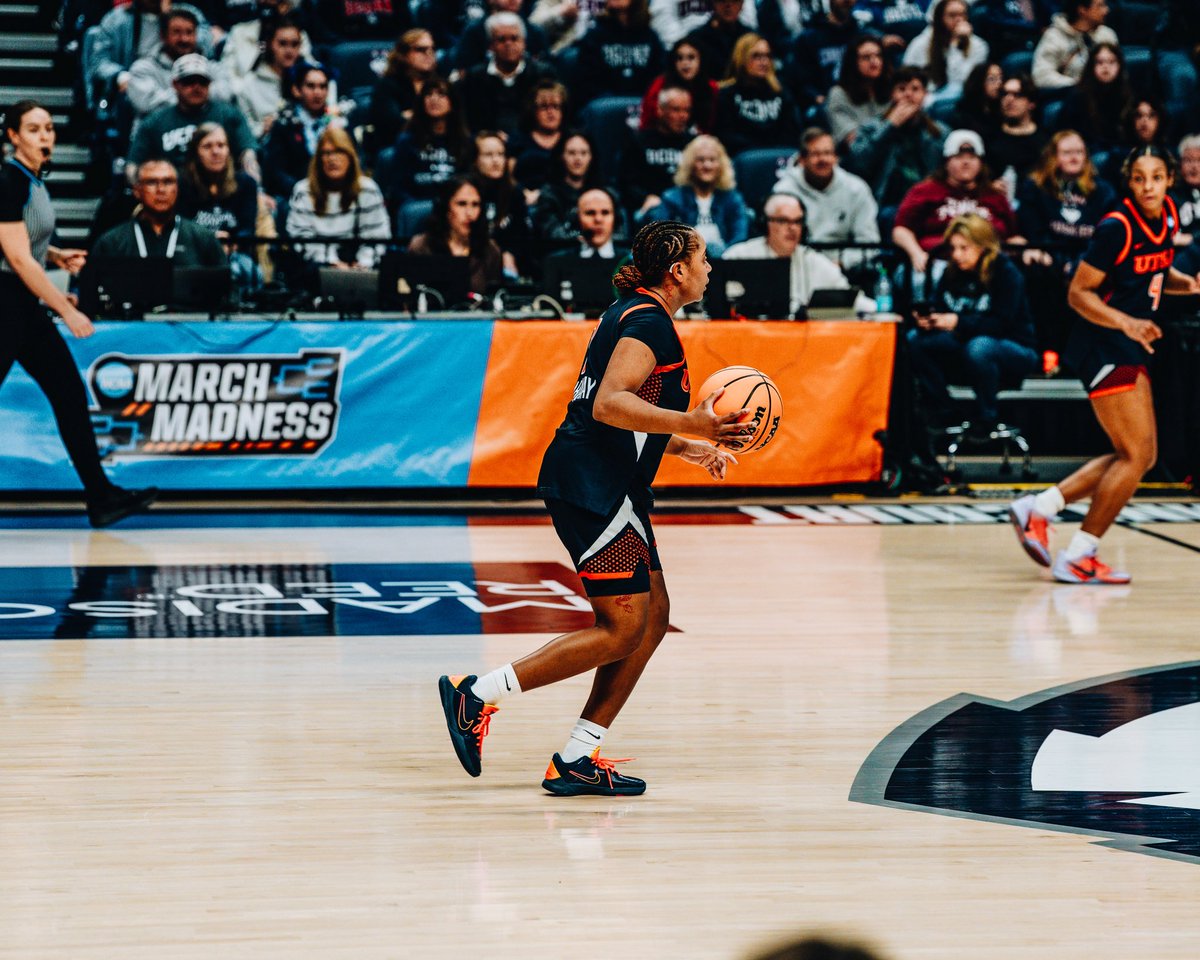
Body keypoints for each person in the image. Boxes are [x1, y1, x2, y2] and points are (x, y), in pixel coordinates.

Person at [438, 219, 747, 795]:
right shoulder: (649, 323)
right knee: (622, 627)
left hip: (612, 486)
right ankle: (476, 695)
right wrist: (693, 421)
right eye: (704, 259)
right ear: (677, 270)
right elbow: (609, 404)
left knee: (652, 616)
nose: (711, 268)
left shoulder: (635, 312)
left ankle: (578, 757)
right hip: (594, 487)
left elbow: (632, 412)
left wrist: (689, 447)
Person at [1009, 145, 1200, 584]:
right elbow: (1078, 293)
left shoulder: (1169, 215)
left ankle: (1040, 508)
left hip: (1126, 344)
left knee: (1133, 455)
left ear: (1170, 179)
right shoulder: (1117, 227)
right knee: (1138, 456)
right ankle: (1077, 551)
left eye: (1156, 177)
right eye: (1139, 178)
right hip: (1103, 343)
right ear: (1128, 182)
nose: (1148, 186)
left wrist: (1186, 285)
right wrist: (1128, 324)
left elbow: (1155, 271)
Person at [0, 101, 157, 528]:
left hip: (19, 304)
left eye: (49, 127)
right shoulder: (9, 180)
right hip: (7, 302)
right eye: (33, 129)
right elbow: (16, 259)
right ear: (13, 136)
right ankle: (101, 493)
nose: (45, 136)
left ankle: (101, 496)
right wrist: (64, 307)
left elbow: (21, 242)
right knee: (67, 393)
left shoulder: (31, 179)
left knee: (69, 394)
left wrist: (54, 253)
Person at [907, 213, 1039, 436]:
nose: (956, 255)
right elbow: (940, 305)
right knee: (914, 340)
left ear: (983, 246)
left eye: (964, 248)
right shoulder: (953, 272)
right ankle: (944, 407)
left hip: (1013, 348)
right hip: (966, 343)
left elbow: (1001, 323)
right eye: (953, 248)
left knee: (979, 347)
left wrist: (957, 321)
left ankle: (987, 416)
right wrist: (929, 320)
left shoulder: (1006, 273)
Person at [1017, 129, 1116, 350]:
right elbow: (1033, 229)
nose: (1074, 158)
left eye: (1079, 152)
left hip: (1088, 258)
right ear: (1053, 156)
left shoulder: (1103, 190)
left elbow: (1107, 233)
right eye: (1067, 152)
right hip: (1049, 256)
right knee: (1038, 273)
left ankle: (1087, 353)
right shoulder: (1036, 187)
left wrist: (1081, 262)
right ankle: (1047, 352)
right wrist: (1056, 260)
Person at [723, 194, 874, 317]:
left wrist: (880, 310)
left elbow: (851, 299)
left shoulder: (814, 261)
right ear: (765, 223)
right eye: (783, 221)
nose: (792, 228)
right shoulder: (738, 256)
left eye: (798, 221)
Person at [892, 129, 1018, 276]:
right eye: (958, 157)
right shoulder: (925, 190)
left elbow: (1013, 236)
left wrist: (1027, 251)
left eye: (972, 157)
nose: (965, 162)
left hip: (988, 266)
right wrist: (917, 254)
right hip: (936, 264)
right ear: (946, 162)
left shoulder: (994, 196)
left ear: (981, 162)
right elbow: (901, 230)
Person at [127, 53, 259, 184]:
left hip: (221, 189)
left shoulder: (229, 115)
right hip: (173, 193)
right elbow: (133, 165)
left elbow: (248, 153)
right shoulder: (155, 122)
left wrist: (256, 188)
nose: (196, 87)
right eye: (189, 81)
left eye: (203, 82)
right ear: (175, 84)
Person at [845, 66, 948, 215]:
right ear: (893, 95)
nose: (908, 94)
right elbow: (858, 164)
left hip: (929, 201)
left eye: (915, 89)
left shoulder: (940, 132)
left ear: (925, 95)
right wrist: (890, 127)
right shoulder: (871, 127)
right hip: (886, 202)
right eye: (901, 89)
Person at [285, 126, 391, 271]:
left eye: (339, 152)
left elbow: (377, 236)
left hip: (360, 267)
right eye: (326, 153)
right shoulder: (303, 191)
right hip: (316, 266)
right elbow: (301, 238)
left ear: (351, 157)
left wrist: (363, 263)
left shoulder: (368, 190)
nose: (332, 159)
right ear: (319, 159)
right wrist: (331, 263)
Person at [91, 158, 228, 265]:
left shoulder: (203, 239)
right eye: (151, 182)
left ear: (177, 189)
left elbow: (227, 291)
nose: (161, 190)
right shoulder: (111, 243)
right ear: (137, 191)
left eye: (168, 182)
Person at [177, 123, 261, 288]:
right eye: (207, 146)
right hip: (195, 252)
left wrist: (230, 243)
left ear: (228, 150)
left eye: (221, 145)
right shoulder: (183, 184)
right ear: (196, 152)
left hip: (234, 252)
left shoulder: (245, 183)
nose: (215, 152)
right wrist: (211, 241)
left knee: (245, 269)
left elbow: (247, 228)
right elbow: (182, 227)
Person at [772, 128, 880, 248]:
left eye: (828, 153)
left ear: (836, 158)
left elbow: (869, 242)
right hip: (799, 260)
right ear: (801, 160)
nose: (822, 159)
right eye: (815, 154)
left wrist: (842, 262)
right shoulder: (784, 192)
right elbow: (778, 242)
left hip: (843, 262)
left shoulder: (857, 189)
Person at [643, 134, 747, 258]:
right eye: (701, 160)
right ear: (690, 165)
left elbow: (740, 237)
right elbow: (659, 237)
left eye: (712, 160)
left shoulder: (733, 199)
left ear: (721, 165)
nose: (707, 166)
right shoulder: (671, 199)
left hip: (726, 263)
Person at [454, 12, 557, 137]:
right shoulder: (475, 77)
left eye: (514, 38)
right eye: (501, 40)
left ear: (524, 43)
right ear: (491, 46)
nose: (508, 44)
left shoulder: (543, 75)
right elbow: (469, 122)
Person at [409, 176, 505, 295]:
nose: (469, 213)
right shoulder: (421, 246)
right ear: (446, 207)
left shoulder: (490, 250)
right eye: (461, 204)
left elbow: (495, 300)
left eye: (475, 205)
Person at [383, 76, 469, 208]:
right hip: (416, 209)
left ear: (452, 103)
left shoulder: (465, 142)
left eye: (441, 94)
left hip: (454, 210)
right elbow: (398, 188)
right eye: (428, 94)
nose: (434, 99)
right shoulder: (407, 141)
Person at [714, 33, 799, 156]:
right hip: (743, 158)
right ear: (742, 58)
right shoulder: (727, 94)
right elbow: (726, 136)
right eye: (756, 56)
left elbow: (792, 134)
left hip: (777, 155)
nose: (763, 61)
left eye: (767, 56)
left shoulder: (780, 93)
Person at [260, 61, 333, 201]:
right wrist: (304, 191)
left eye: (323, 86)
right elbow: (275, 172)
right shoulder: (283, 123)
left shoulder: (337, 123)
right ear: (296, 90)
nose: (317, 92)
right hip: (294, 195)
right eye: (310, 86)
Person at [620, 87, 693, 220]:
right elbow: (626, 182)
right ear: (660, 110)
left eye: (686, 110)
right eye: (676, 110)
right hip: (650, 206)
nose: (683, 116)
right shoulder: (639, 141)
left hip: (687, 207)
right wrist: (644, 197)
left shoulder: (693, 144)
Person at [229, 13, 305, 138]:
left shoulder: (309, 81)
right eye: (282, 43)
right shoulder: (248, 86)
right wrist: (263, 129)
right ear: (270, 44)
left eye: (294, 44)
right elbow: (242, 134)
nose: (289, 50)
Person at [901, 0, 990, 106]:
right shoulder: (920, 44)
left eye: (963, 14)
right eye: (952, 15)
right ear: (940, 18)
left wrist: (956, 45)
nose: (959, 20)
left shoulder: (979, 46)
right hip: (924, 99)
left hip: (958, 99)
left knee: (956, 90)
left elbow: (961, 83)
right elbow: (906, 76)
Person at [575, 0, 664, 105]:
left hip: (643, 104)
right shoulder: (594, 36)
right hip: (605, 105)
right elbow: (587, 82)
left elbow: (659, 76)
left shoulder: (650, 37)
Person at [365, 28, 438, 152]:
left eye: (432, 49)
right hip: (399, 148)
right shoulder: (386, 85)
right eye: (421, 50)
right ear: (403, 55)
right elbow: (391, 125)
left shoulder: (439, 83)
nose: (429, 54)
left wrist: (410, 115)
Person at [1056, 43, 1131, 159]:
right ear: (1091, 66)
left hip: (1120, 150)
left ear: (1120, 65)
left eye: (1111, 62)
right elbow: (1068, 134)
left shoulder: (1128, 95)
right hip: (1087, 152)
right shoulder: (1078, 96)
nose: (1106, 67)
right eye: (1100, 62)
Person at [530, 130, 608, 242]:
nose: (578, 158)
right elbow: (551, 234)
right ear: (561, 156)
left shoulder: (605, 194)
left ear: (591, 157)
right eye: (572, 153)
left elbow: (619, 234)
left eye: (583, 153)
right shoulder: (549, 195)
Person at [1031, 0, 1118, 93]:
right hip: (1069, 95)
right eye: (1100, 6)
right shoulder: (1054, 37)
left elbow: (1119, 70)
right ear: (1082, 10)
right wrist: (1078, 85)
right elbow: (1041, 76)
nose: (1106, 10)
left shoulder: (1107, 34)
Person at [639, 38, 719, 134]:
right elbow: (646, 124)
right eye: (679, 58)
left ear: (701, 60)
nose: (685, 63)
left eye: (691, 57)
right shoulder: (659, 85)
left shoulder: (712, 87)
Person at [986, 73, 1047, 197]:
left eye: (1017, 95)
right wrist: (989, 185)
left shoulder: (1045, 140)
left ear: (1031, 103)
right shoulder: (989, 136)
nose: (1009, 99)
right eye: (1005, 94)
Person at [825, 35, 891, 150]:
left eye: (878, 55)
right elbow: (855, 143)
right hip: (855, 161)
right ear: (853, 62)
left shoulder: (892, 90)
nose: (874, 61)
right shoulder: (839, 94)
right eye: (866, 57)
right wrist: (892, 124)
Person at [509, 80, 569, 191]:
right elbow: (509, 177)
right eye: (544, 106)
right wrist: (522, 194)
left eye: (556, 106)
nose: (550, 112)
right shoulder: (518, 139)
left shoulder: (571, 139)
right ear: (533, 110)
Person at [682, 0, 751, 81]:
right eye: (722, 1)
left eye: (734, 1)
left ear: (742, 4)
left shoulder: (751, 39)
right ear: (713, 3)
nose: (728, 5)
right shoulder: (695, 40)